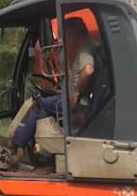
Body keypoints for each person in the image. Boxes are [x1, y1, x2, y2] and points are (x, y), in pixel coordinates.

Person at [9, 17, 95, 149]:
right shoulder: (68, 52)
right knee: (36, 103)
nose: (61, 38)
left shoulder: (84, 51)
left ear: (75, 34)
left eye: (64, 34)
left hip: (80, 102)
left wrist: (76, 91)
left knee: (39, 106)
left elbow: (88, 70)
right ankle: (19, 140)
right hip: (68, 97)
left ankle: (16, 144)